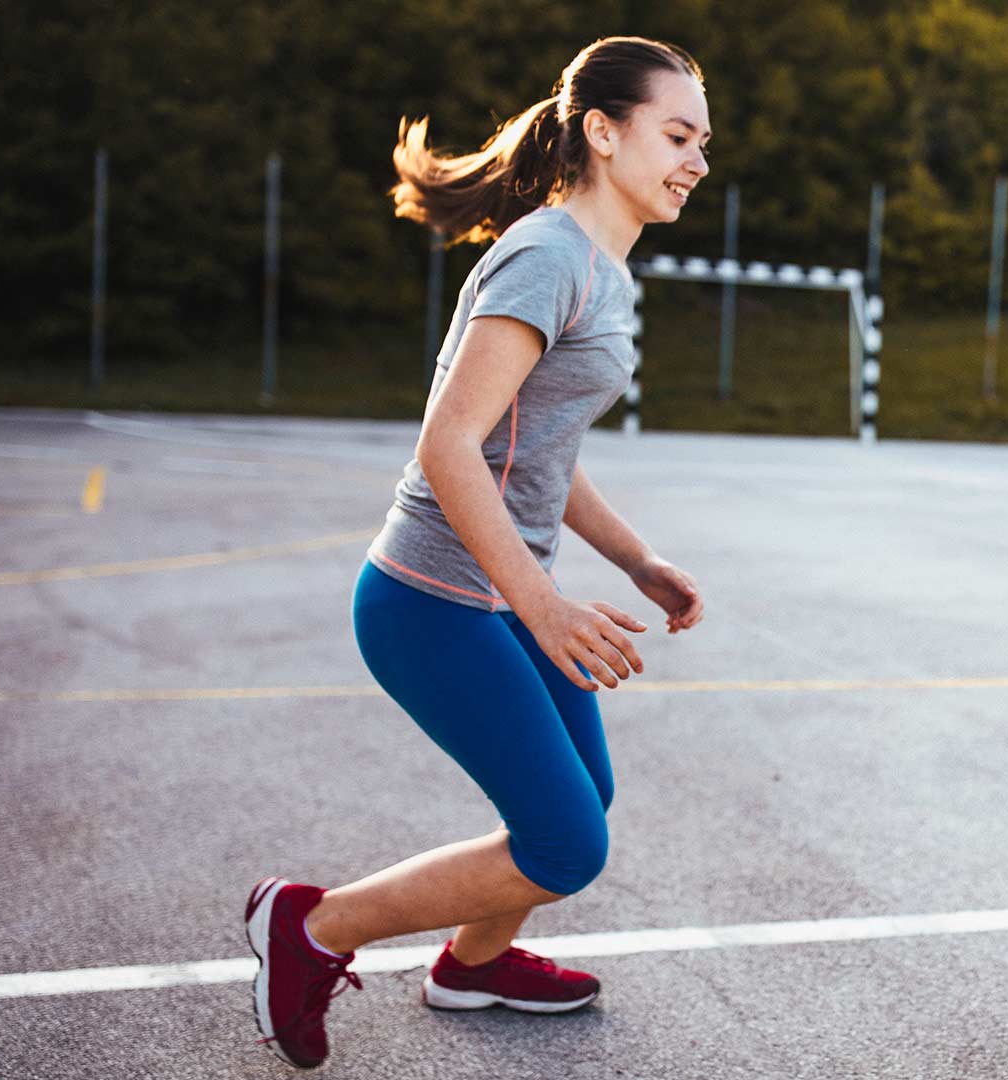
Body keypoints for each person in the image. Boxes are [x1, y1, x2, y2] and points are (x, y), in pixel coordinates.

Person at [243, 35, 711, 1069]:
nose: (696, 161)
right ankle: (311, 928)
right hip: (428, 601)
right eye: (677, 135)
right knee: (565, 843)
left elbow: (536, 447)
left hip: (497, 596)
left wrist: (634, 560)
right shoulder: (547, 256)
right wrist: (546, 606)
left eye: (703, 143)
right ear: (603, 130)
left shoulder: (603, 270)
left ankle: (472, 965)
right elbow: (450, 444)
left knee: (581, 803)